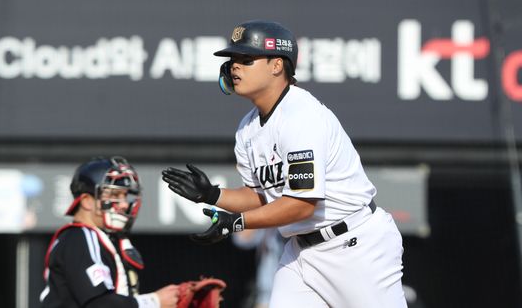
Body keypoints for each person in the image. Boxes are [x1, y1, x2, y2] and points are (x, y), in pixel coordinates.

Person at [161, 20, 407, 307]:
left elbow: (302, 204)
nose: (234, 67)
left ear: (277, 65)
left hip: (354, 246)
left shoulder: (301, 115)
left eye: (246, 59)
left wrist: (237, 223)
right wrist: (214, 195)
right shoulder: (247, 128)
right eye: (233, 60)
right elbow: (263, 195)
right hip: (301, 253)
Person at [40, 156, 179, 308]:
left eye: (125, 195)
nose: (124, 204)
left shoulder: (102, 238)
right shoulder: (81, 237)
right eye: (114, 195)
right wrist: (155, 301)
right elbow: (99, 304)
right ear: (86, 201)